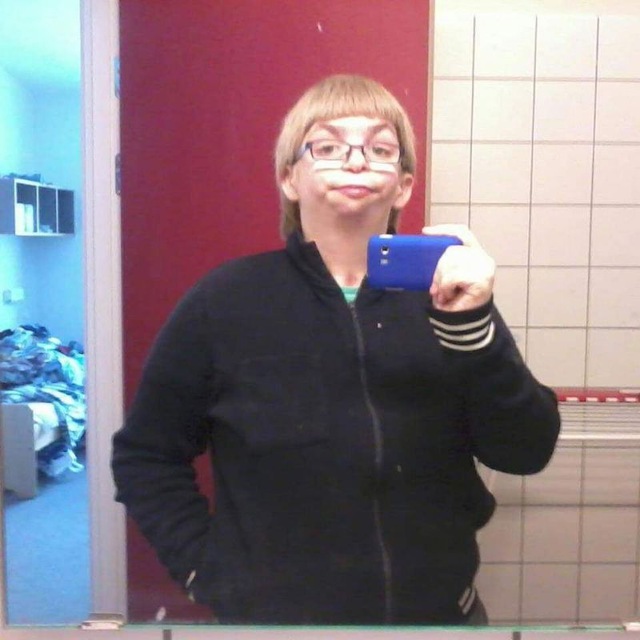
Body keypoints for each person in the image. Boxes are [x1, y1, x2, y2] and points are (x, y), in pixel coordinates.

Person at [111, 74, 561, 626]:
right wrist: (205, 570)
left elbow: (525, 452)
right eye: (326, 147)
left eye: (380, 149)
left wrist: (473, 327)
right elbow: (146, 456)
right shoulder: (224, 301)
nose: (355, 160)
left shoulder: (448, 296)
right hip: (272, 628)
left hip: (440, 620)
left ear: (403, 186)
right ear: (289, 178)